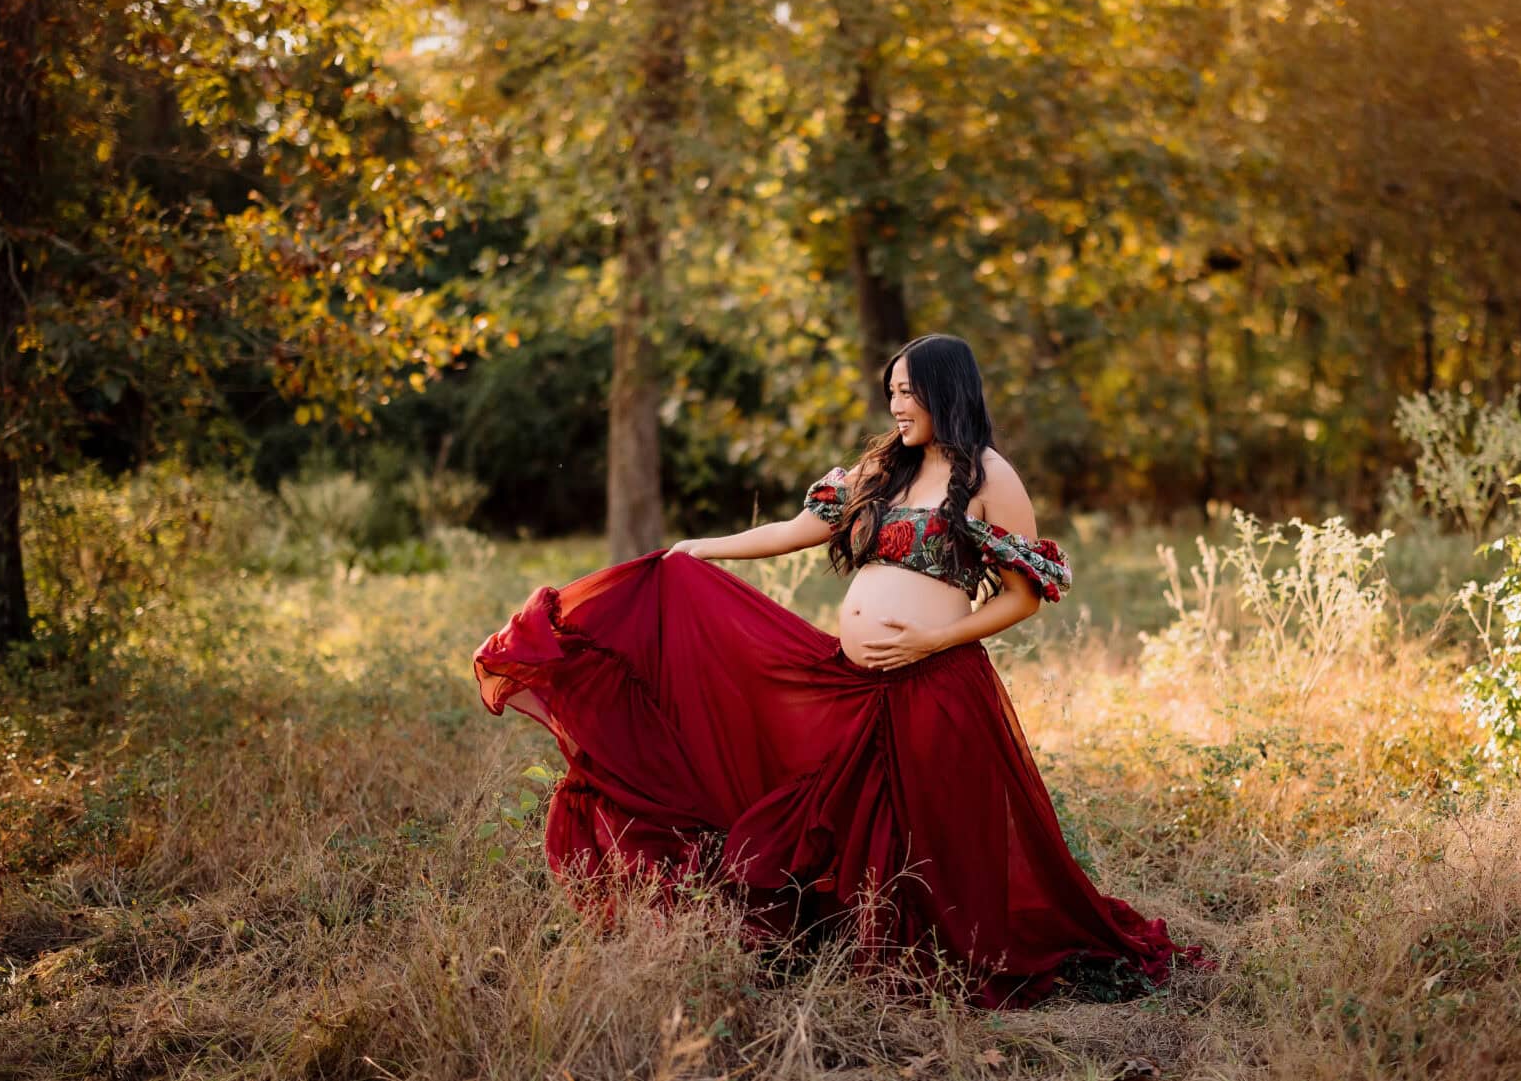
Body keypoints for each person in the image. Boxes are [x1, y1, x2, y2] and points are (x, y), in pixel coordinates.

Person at [472, 333, 1203, 1008]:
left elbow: (1024, 597)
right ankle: (849, 952)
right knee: (829, 817)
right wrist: (703, 550)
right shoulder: (886, 466)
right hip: (853, 683)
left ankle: (946, 965)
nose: (895, 404)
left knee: (931, 844)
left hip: (937, 683)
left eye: (908, 392)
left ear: (947, 390)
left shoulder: (990, 474)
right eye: (890, 391)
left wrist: (931, 639)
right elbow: (799, 530)